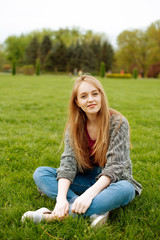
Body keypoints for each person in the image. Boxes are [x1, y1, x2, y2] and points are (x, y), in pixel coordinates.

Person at [22, 75, 142, 227]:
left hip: (115, 181)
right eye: (84, 96)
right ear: (77, 103)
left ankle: (51, 216)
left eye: (95, 94)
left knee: (126, 189)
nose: (90, 99)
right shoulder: (74, 127)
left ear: (101, 96)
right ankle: (96, 210)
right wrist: (60, 199)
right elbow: (68, 164)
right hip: (86, 178)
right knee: (41, 174)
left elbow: (115, 167)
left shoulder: (118, 122)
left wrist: (88, 195)